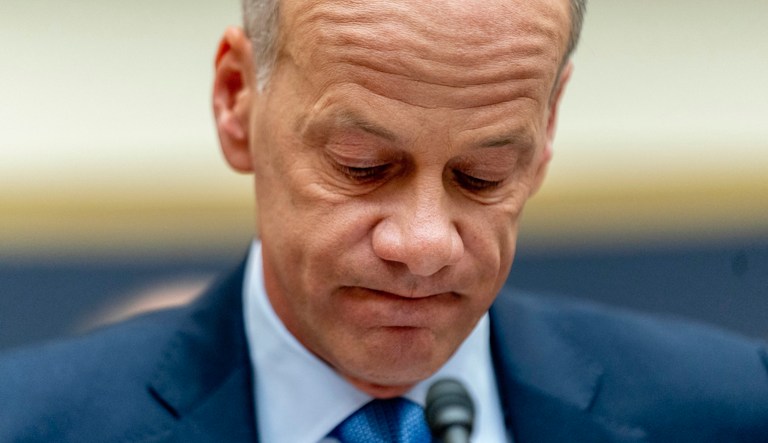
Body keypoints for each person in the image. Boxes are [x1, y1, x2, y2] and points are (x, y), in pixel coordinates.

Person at [1, 0, 767, 441]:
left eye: (482, 176)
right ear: (238, 101)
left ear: (550, 123)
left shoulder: (730, 411)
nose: (424, 244)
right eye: (361, 165)